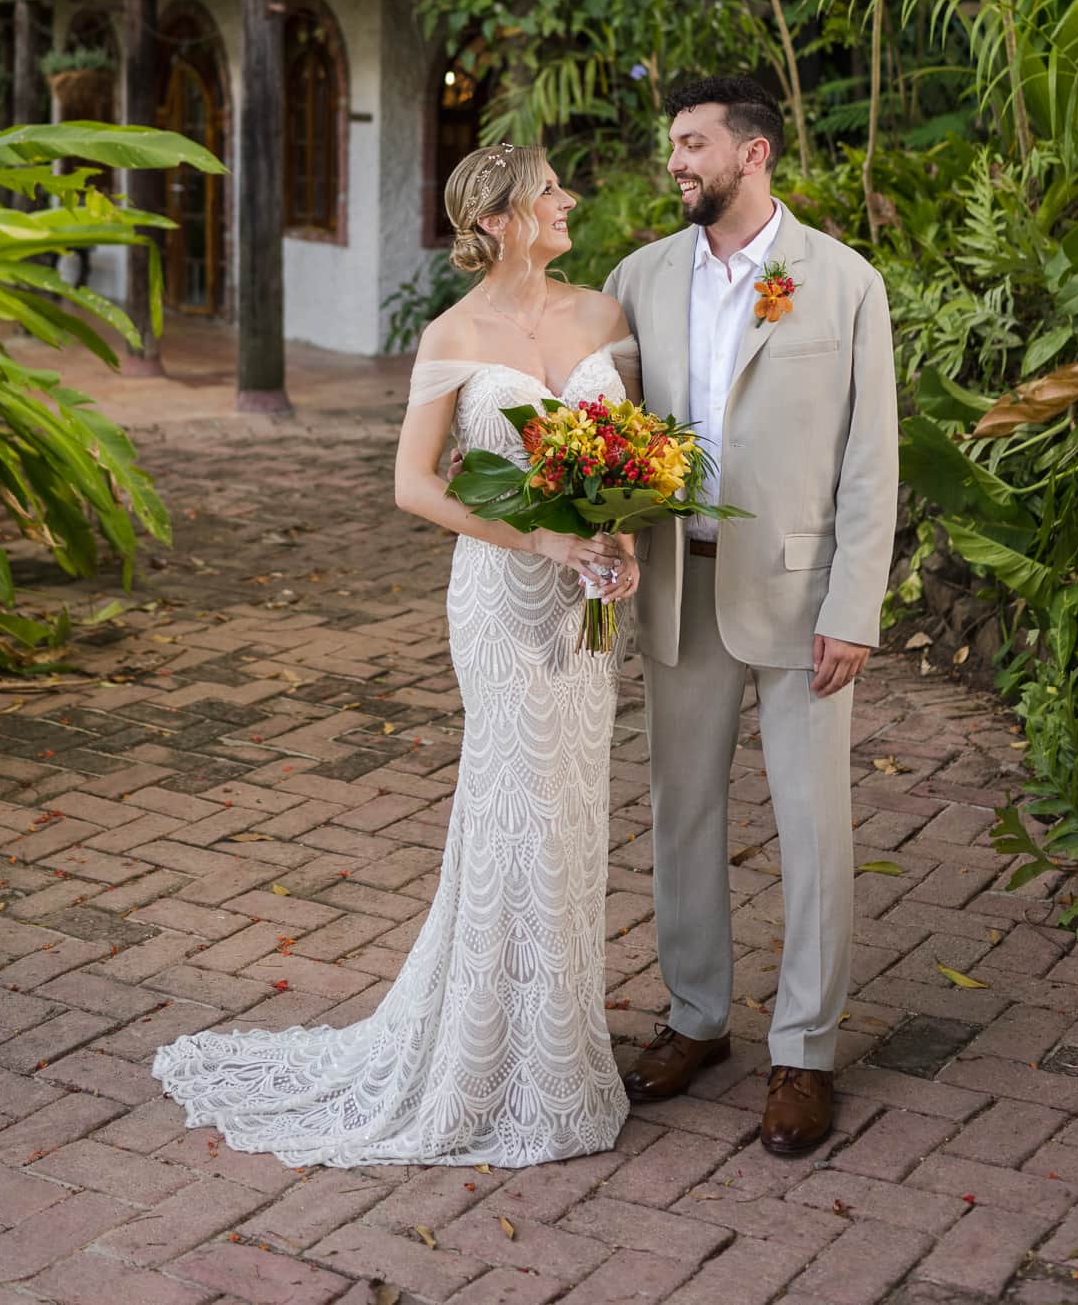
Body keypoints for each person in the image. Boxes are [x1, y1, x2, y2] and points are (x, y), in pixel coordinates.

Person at [153, 142, 641, 1167]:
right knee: (518, 808)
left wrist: (616, 537)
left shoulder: (603, 316)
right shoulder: (453, 335)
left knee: (575, 807)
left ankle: (558, 1048)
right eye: (549, 193)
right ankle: (487, 1063)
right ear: (500, 220)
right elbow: (415, 485)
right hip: (502, 601)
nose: (568, 202)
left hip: (583, 610)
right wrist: (543, 539)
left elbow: (621, 455)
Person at [604, 75, 898, 1156]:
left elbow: (872, 462)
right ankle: (696, 1018)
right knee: (680, 813)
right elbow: (608, 433)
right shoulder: (635, 277)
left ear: (753, 152)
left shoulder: (844, 282)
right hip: (679, 588)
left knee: (813, 828)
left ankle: (806, 1051)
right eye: (671, 146)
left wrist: (854, 606)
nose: (675, 162)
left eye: (691, 144)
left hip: (801, 594)